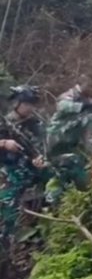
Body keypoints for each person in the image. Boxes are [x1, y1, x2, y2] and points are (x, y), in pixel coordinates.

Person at [0, 86, 48, 237]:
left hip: (30, 167)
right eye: (26, 104)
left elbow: (45, 144)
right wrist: (4, 143)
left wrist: (41, 158)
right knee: (9, 203)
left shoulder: (35, 123)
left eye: (32, 104)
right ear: (17, 104)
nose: (30, 108)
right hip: (9, 169)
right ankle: (6, 240)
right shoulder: (6, 122)